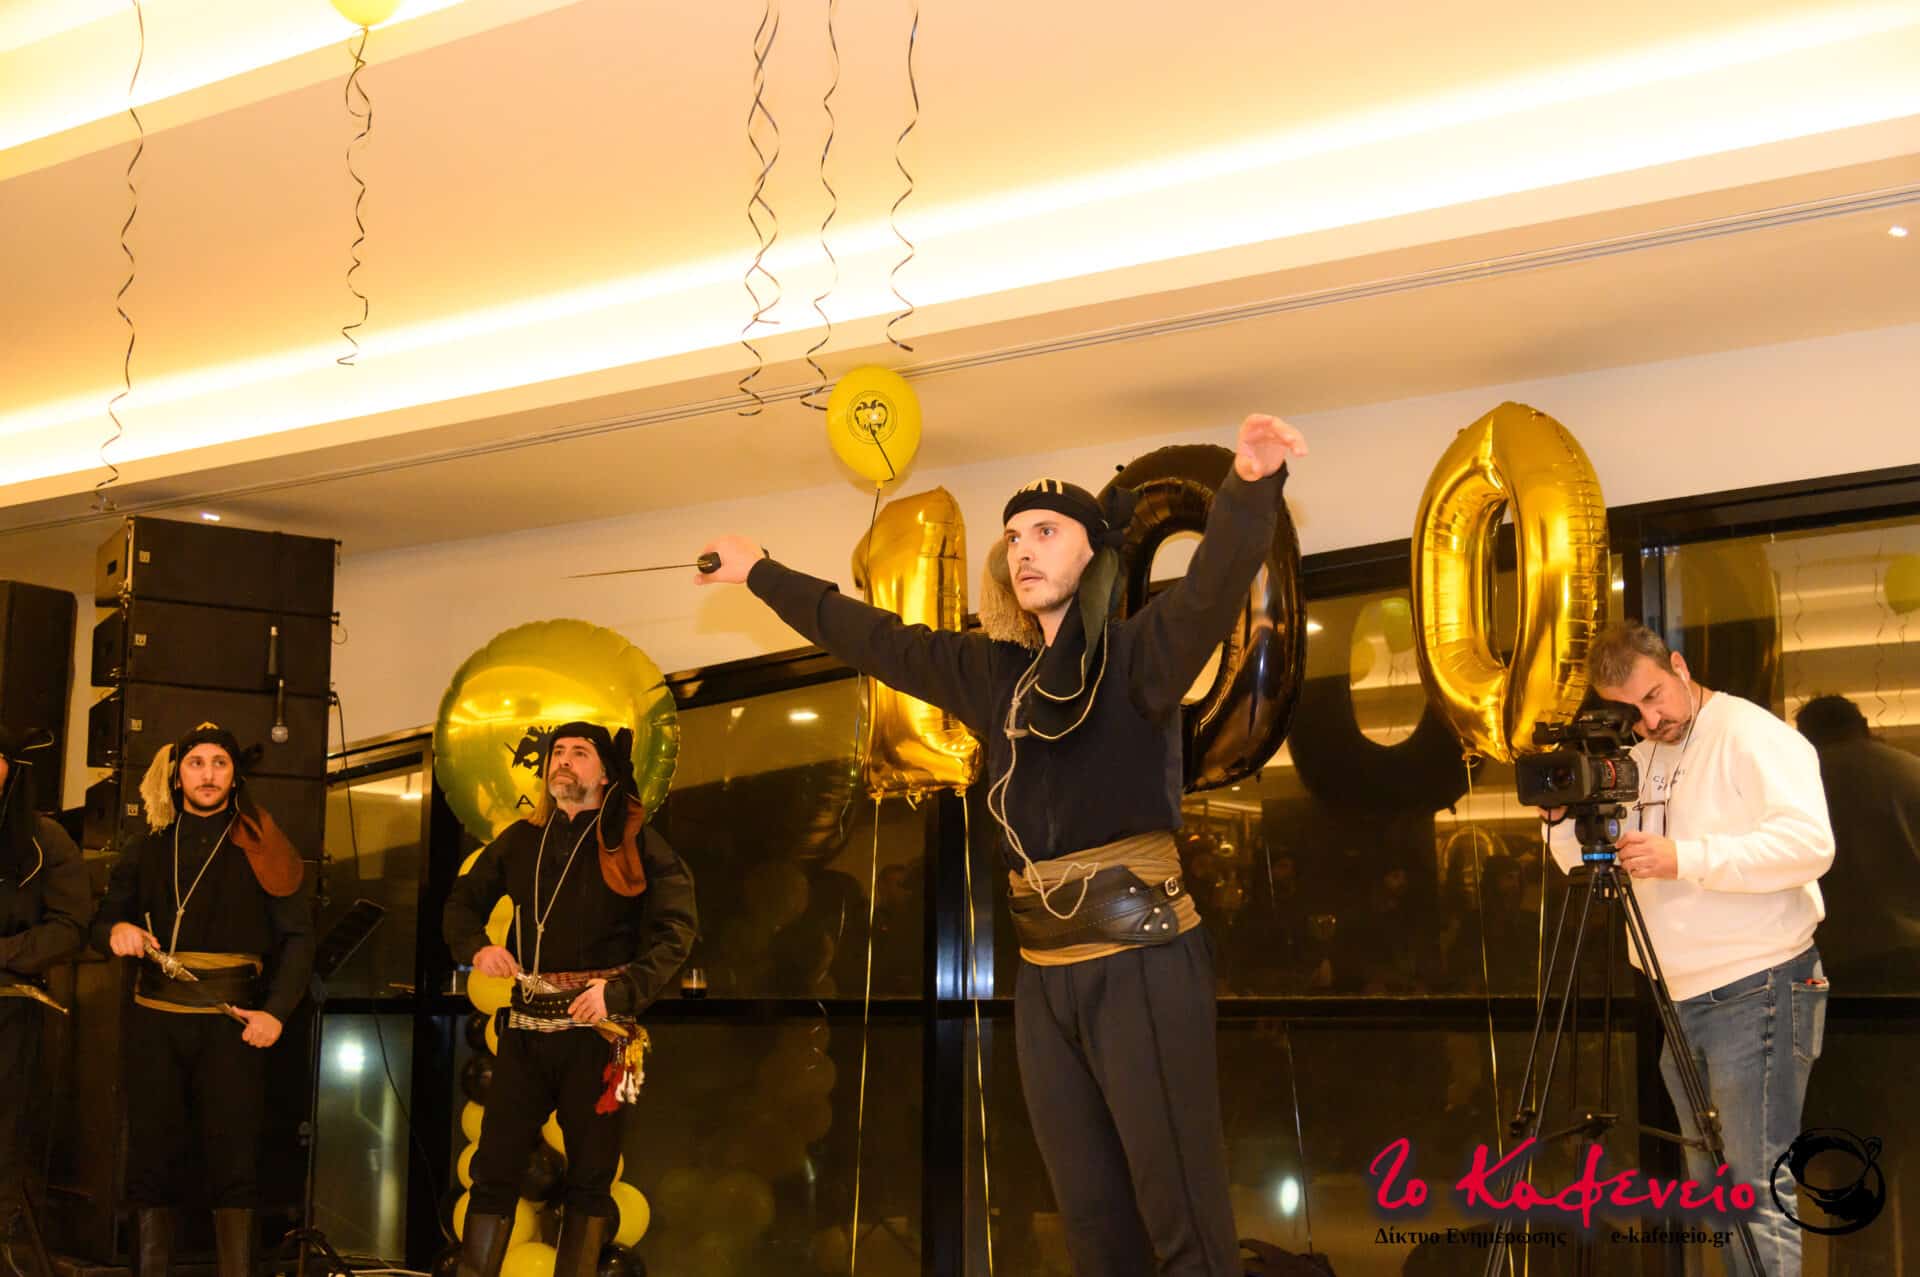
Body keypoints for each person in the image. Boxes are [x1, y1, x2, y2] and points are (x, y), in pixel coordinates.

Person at [700, 412, 1308, 1277]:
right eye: (1015, 536)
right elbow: (871, 636)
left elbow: (1214, 584)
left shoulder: (1140, 653)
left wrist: (1250, 483)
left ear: (1093, 554)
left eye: (1046, 532)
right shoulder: (996, 675)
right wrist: (760, 569)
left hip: (1141, 957)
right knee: (1091, 1223)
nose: (1023, 549)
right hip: (1045, 977)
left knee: (1184, 1221)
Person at [1540, 623, 1833, 1277]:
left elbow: (1811, 845)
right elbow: (1587, 861)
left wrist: (1686, 857)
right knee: (1716, 1192)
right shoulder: (1640, 754)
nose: (1650, 720)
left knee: (1753, 1193)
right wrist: (1560, 818)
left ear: (1678, 664)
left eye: (1654, 696)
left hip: (1758, 984)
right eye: (1631, 711)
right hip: (1679, 997)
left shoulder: (1749, 733)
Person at [443, 723, 697, 1277]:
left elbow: (678, 930)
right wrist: (478, 947)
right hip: (526, 1029)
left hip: (597, 1032)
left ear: (605, 774)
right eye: (557, 752)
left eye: (579, 753)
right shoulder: (520, 839)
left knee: (590, 1178)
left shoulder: (636, 841)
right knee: (493, 1170)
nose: (563, 760)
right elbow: (461, 902)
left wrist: (619, 992)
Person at [91, 723, 315, 1277]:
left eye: (219, 763)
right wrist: (117, 928)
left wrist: (276, 1013)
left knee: (235, 1160)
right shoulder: (148, 847)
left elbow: (299, 938)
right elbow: (102, 921)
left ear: (234, 776)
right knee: (150, 1158)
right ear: (177, 775)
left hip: (233, 1023)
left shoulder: (262, 846)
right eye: (196, 763)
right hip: (156, 1020)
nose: (208, 774)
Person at [0, 727, 88, 1264]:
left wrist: (6, 951)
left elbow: (70, 926)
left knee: (4, 1136)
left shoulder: (44, 839)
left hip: (10, 1007)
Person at [1795, 692, 1920, 990]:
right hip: (1910, 943)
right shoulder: (1910, 771)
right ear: (1863, 724)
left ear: (1804, 736)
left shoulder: (1797, 784)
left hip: (1832, 951)